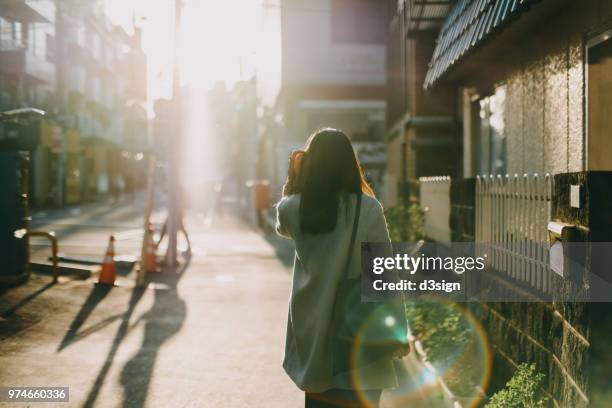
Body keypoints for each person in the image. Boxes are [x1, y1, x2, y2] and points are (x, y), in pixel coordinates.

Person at [276, 128, 410, 408]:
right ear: (351, 164)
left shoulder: (292, 209)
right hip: (358, 336)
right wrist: (398, 331)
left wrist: (295, 178)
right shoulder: (367, 208)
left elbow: (281, 225)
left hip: (314, 337)